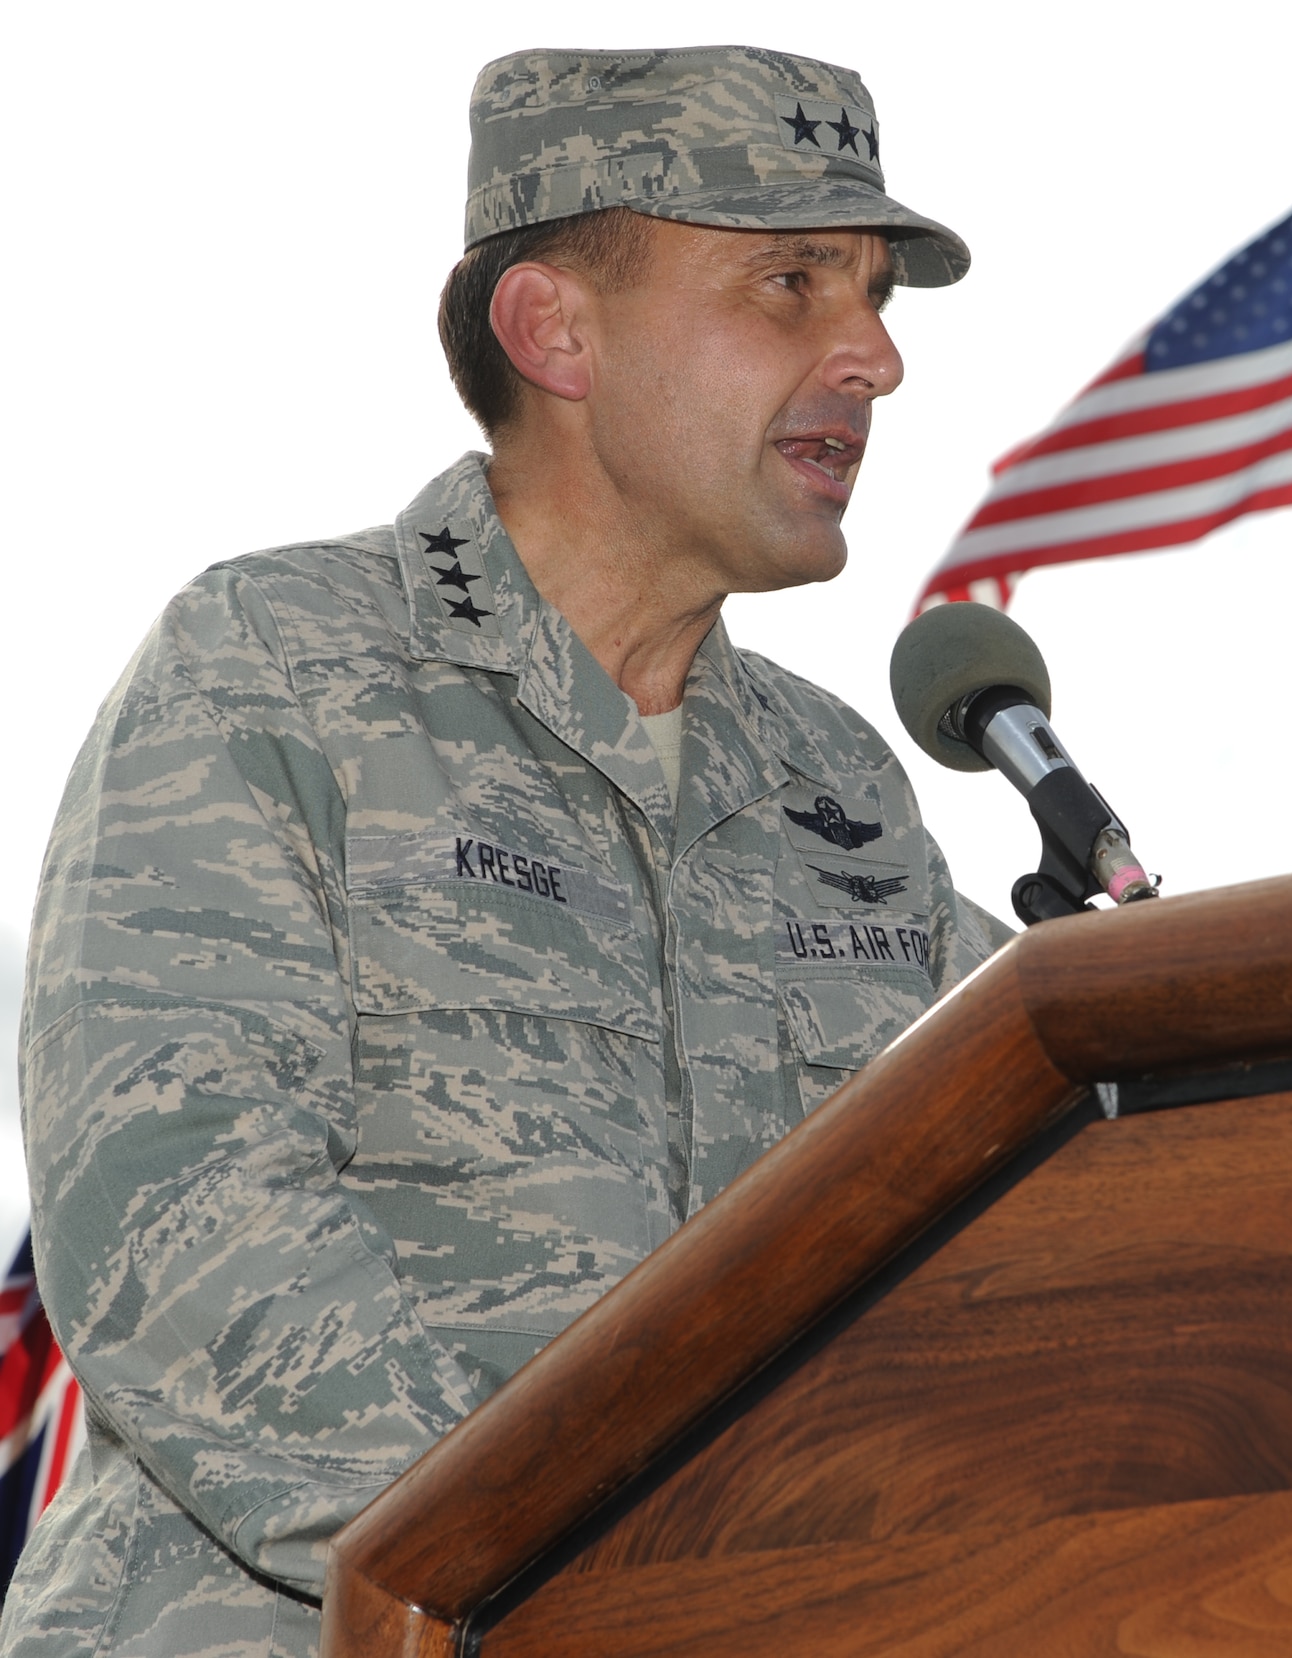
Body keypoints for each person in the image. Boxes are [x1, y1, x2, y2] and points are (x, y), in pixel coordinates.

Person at [0, 45, 1005, 1657]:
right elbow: (181, 1217)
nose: (873, 355)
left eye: (876, 294)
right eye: (791, 284)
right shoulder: (276, 667)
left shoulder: (843, 790)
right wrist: (589, 1582)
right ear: (556, 330)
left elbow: (1032, 1205)